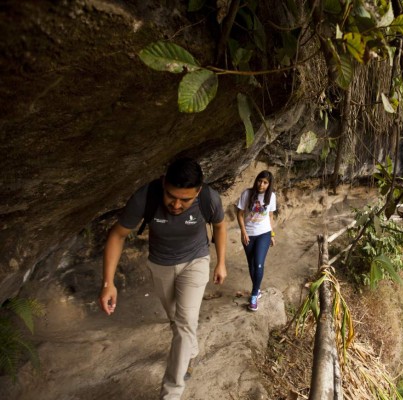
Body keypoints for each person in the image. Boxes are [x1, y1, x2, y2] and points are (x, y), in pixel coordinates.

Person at [98, 157, 227, 400]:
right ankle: (191, 350)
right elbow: (117, 235)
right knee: (176, 319)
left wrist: (221, 262)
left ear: (198, 192)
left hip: (196, 261)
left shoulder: (209, 199)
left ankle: (171, 393)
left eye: (185, 199)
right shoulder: (145, 197)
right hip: (161, 264)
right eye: (171, 196)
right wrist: (108, 283)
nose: (176, 205)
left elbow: (220, 227)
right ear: (163, 183)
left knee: (184, 322)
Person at [236, 170, 276, 312]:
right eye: (260, 181)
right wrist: (243, 232)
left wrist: (272, 234)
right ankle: (257, 289)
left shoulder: (271, 197)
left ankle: (254, 296)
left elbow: (270, 216)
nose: (262, 184)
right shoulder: (247, 194)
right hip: (249, 234)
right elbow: (240, 214)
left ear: (269, 184)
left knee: (258, 264)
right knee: (251, 265)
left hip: (263, 233)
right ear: (256, 180)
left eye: (265, 182)